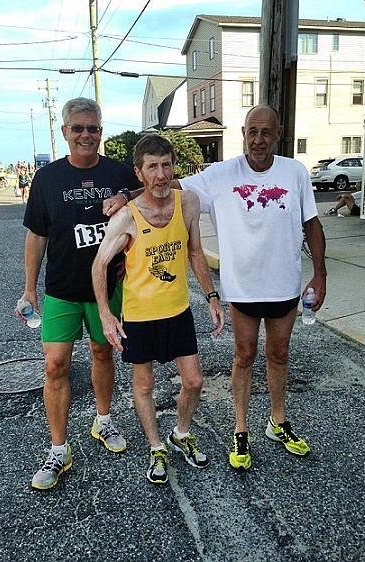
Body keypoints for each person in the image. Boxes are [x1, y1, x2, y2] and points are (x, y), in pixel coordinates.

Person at [104, 105, 327, 471]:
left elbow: (312, 224)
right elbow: (165, 184)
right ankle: (241, 430)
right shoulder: (221, 174)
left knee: (280, 355)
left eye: (266, 133)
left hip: (285, 283)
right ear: (242, 132)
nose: (258, 140)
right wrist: (123, 196)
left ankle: (277, 421)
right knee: (243, 356)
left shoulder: (295, 172)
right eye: (252, 132)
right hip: (242, 288)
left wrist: (320, 274)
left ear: (279, 133)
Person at [17, 97, 141, 490]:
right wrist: (29, 289)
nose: (86, 134)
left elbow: (155, 201)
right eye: (78, 128)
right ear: (65, 132)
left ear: (101, 131)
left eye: (93, 128)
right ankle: (58, 449)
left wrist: (128, 202)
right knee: (54, 366)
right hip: (62, 290)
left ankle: (103, 421)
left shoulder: (121, 173)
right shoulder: (47, 179)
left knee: (103, 353)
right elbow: (36, 235)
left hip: (108, 289)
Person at [92, 134, 225, 485]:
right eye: (152, 167)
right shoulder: (127, 216)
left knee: (194, 381)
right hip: (139, 315)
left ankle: (180, 434)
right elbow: (99, 264)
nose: (161, 174)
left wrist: (212, 297)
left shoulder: (188, 203)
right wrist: (107, 315)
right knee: (145, 384)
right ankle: (155, 447)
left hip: (178, 310)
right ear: (139, 173)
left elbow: (195, 253)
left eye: (166, 165)